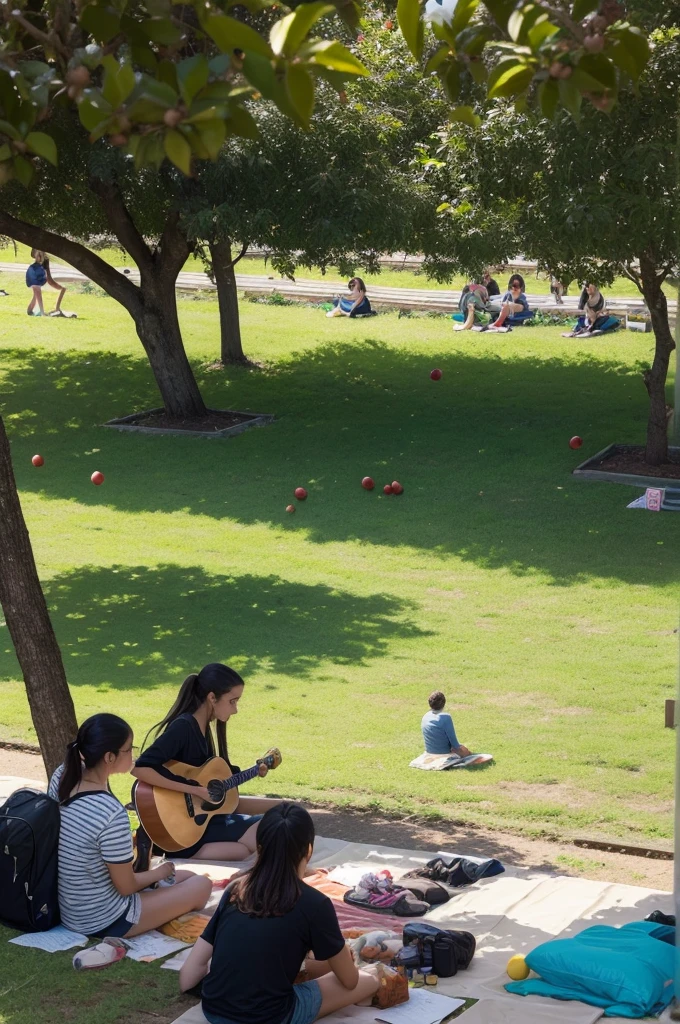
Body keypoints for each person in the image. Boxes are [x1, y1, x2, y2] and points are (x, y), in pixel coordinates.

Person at [179, 803, 380, 1024]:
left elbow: (188, 975)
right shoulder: (315, 903)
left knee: (312, 964)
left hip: (214, 1010)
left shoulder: (235, 889)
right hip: (271, 1016)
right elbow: (350, 981)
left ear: (259, 847)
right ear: (309, 851)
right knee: (368, 979)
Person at [48, 713, 211, 937]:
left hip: (72, 907)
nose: (133, 754)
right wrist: (159, 872)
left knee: (186, 876)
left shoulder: (62, 774)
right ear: (109, 757)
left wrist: (159, 875)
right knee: (202, 886)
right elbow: (126, 886)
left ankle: (163, 887)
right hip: (104, 918)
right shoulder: (109, 813)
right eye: (128, 749)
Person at [132, 663, 282, 862]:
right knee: (275, 829)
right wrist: (194, 790)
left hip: (198, 825)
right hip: (179, 828)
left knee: (278, 818)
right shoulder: (183, 727)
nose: (235, 710)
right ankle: (186, 852)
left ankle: (195, 852)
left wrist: (255, 771)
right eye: (232, 701)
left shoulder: (204, 730)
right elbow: (140, 767)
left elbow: (220, 798)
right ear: (212, 698)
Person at [421, 691, 471, 758]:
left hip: (430, 752)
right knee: (465, 751)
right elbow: (454, 744)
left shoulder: (425, 716)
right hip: (444, 753)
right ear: (444, 703)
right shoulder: (445, 717)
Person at [26, 249, 48, 315]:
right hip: (34, 278)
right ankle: (42, 312)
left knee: (36, 295)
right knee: (38, 293)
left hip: (36, 278)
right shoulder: (35, 266)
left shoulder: (41, 266)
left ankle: (30, 310)